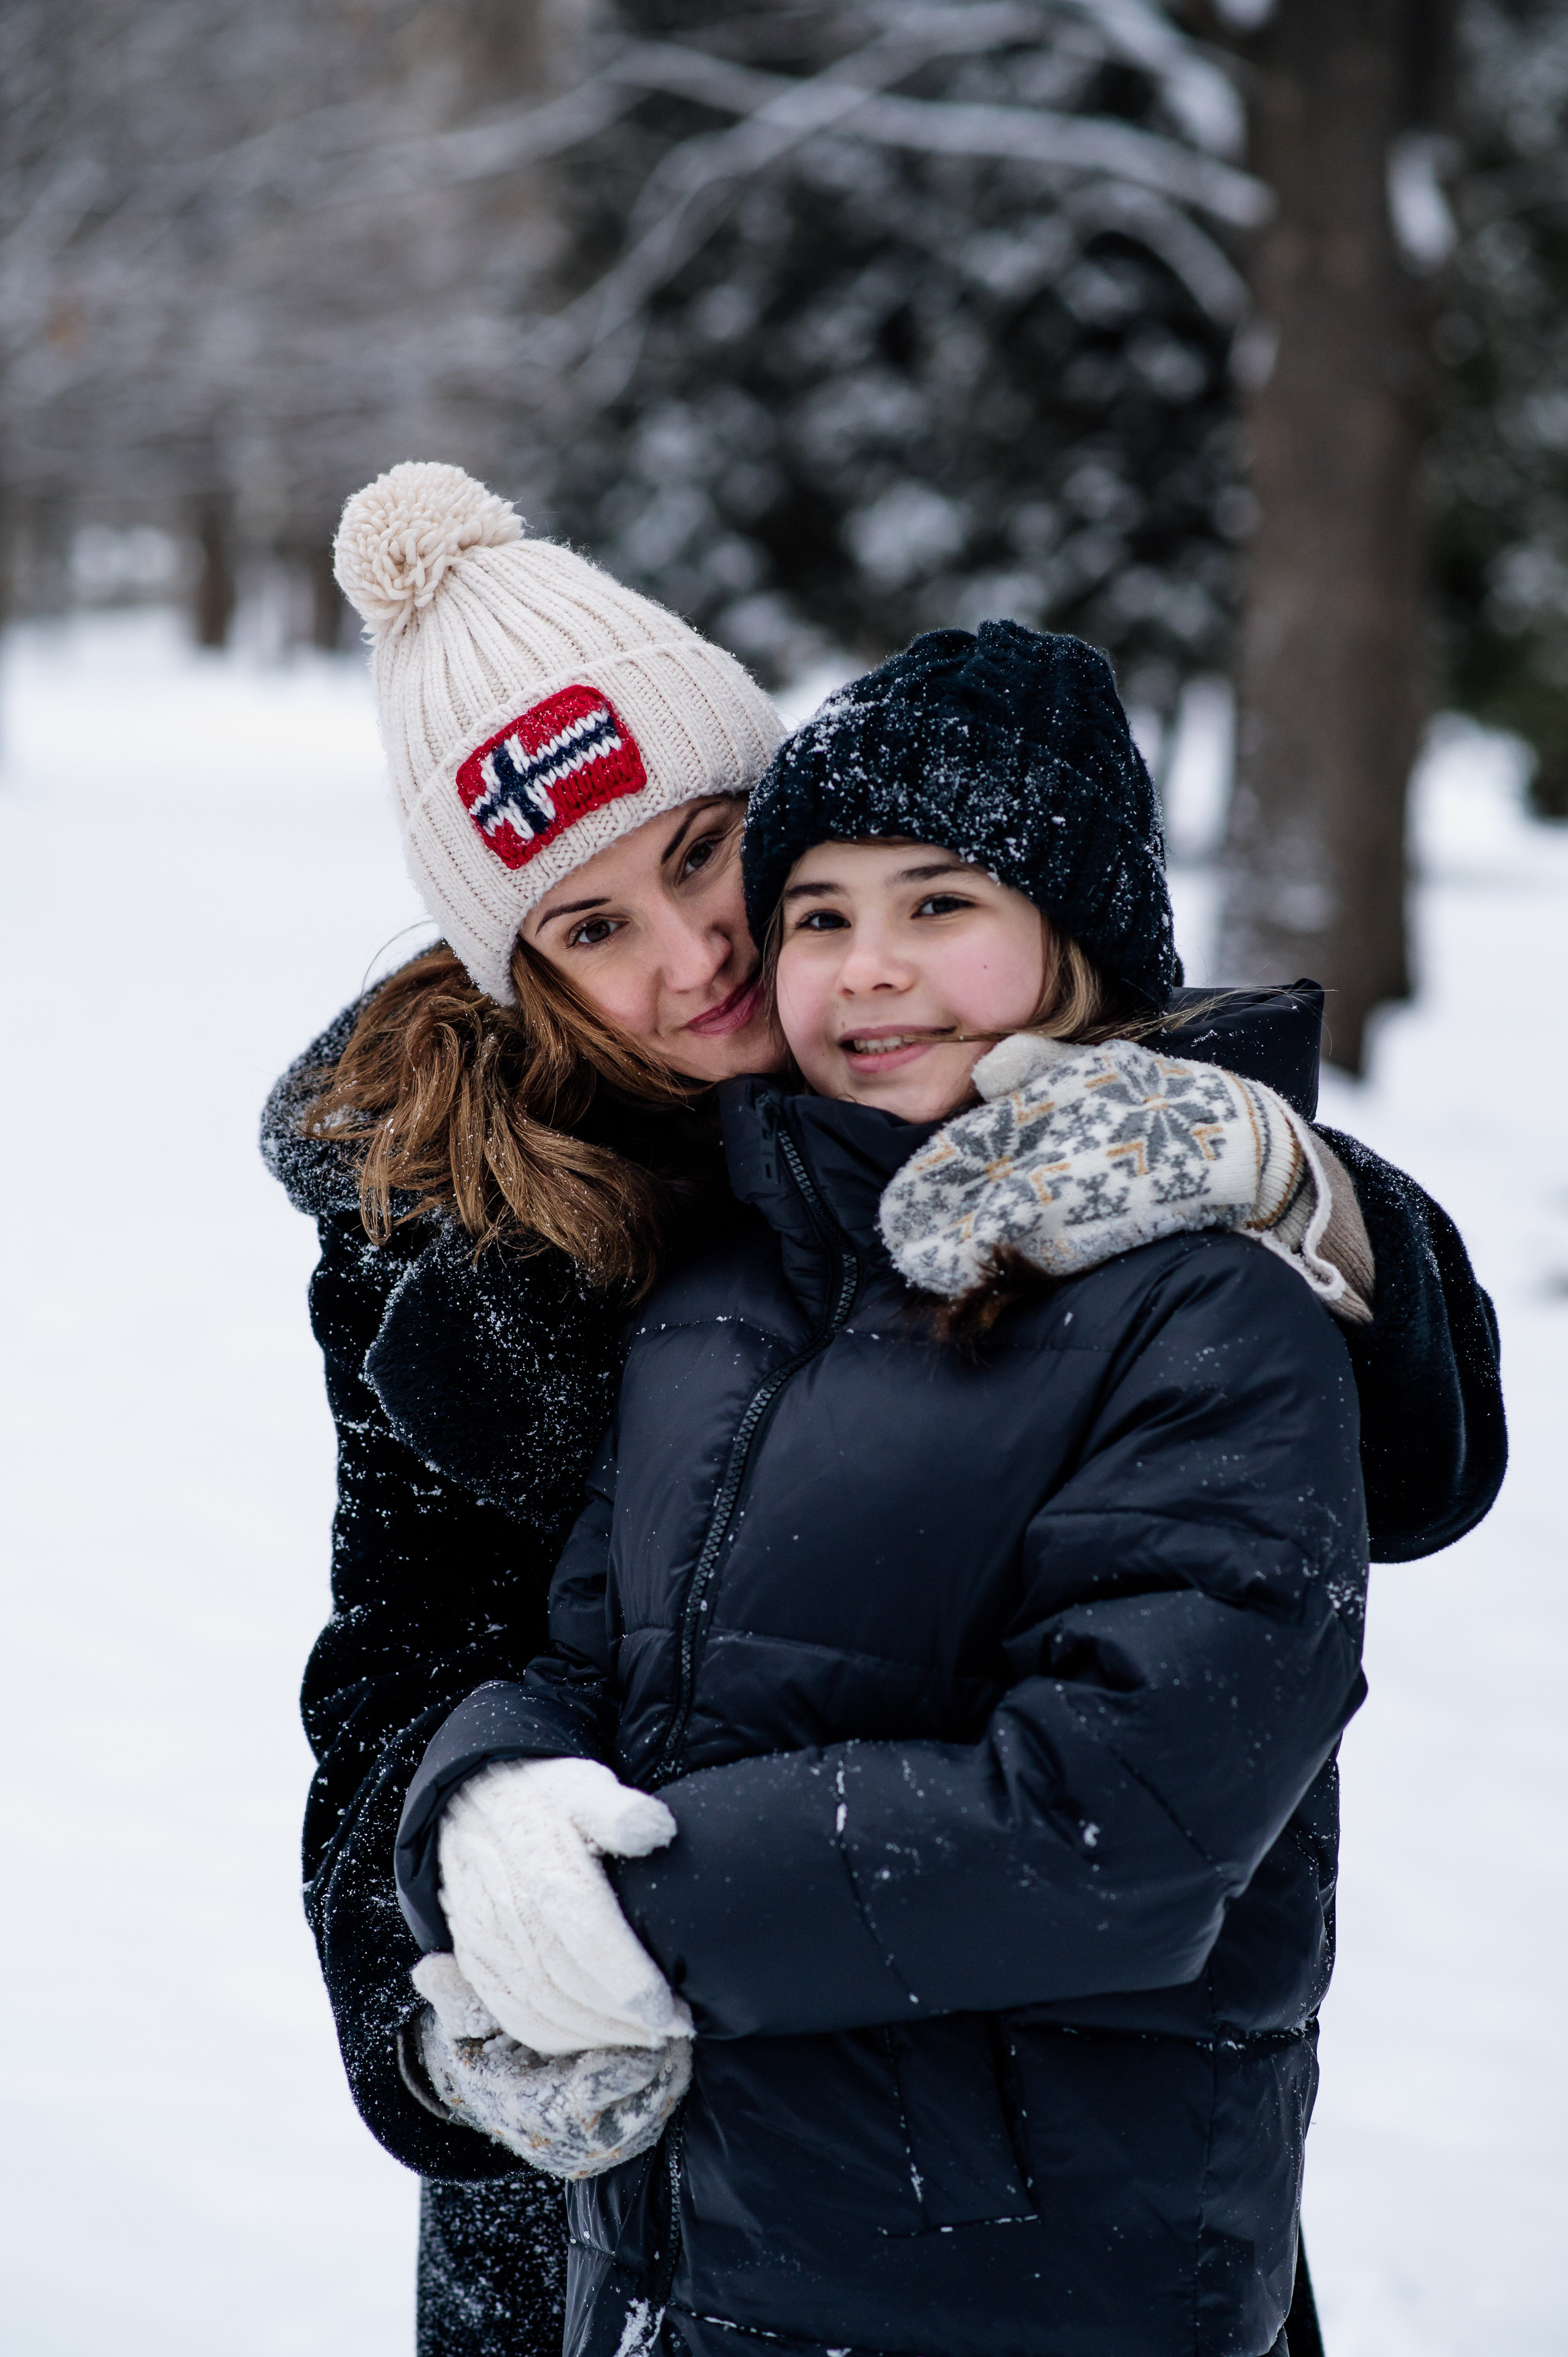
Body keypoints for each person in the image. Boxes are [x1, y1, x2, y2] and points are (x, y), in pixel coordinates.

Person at [262, 469, 1505, 2356]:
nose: (691, 958)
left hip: (1022, 2188)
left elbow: (1392, 1477)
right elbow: (399, 1661)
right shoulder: (463, 1239)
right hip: (618, 2184)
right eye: (587, 929)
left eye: (702, 856)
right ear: (514, 977)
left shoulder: (1037, 1097)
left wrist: (1307, 1196)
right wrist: (441, 1981)